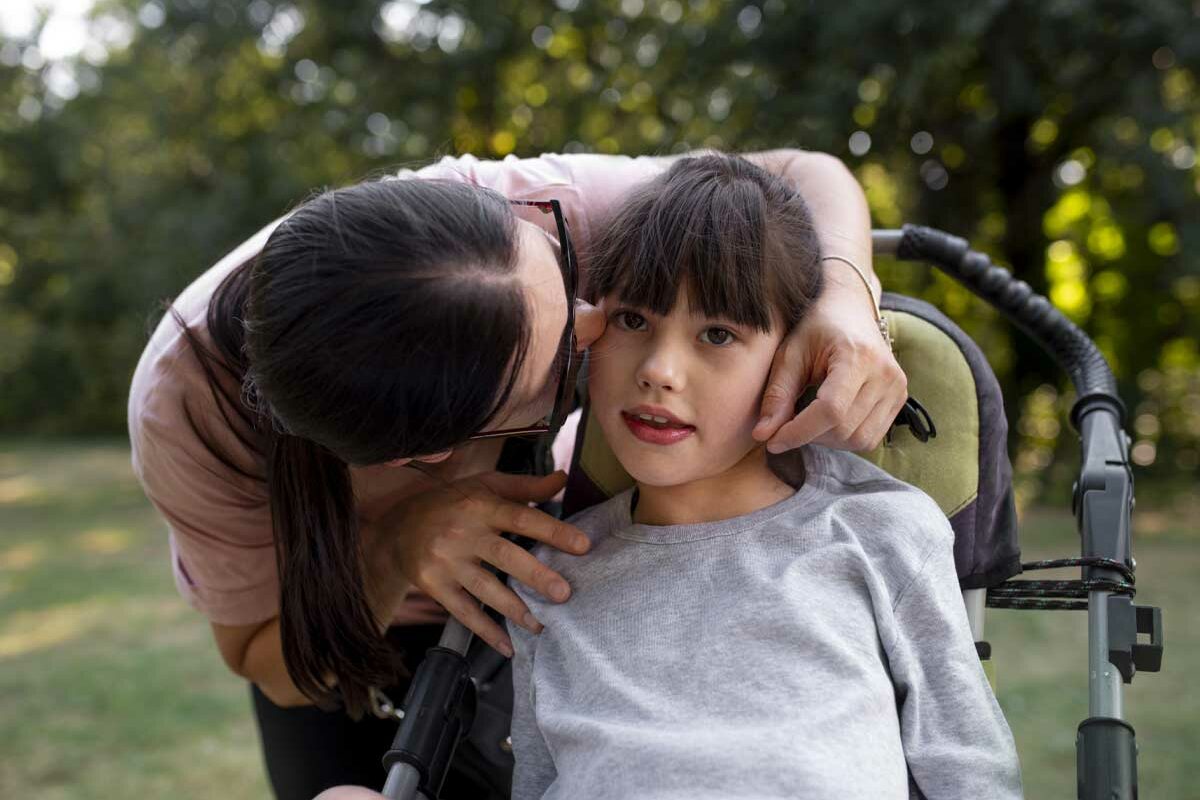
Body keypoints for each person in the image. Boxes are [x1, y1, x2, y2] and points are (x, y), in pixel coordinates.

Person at [127, 148, 906, 799]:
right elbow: (265, 658)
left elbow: (806, 171)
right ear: (435, 453)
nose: (601, 322)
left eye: (570, 279)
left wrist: (846, 292)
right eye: (570, 349)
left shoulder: (527, 212)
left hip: (538, 595)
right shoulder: (187, 410)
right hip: (351, 640)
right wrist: (398, 549)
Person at [506, 154, 1023, 799]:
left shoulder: (878, 531)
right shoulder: (548, 577)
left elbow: (968, 768)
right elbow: (534, 779)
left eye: (717, 335)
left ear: (796, 361)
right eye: (634, 320)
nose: (660, 370)